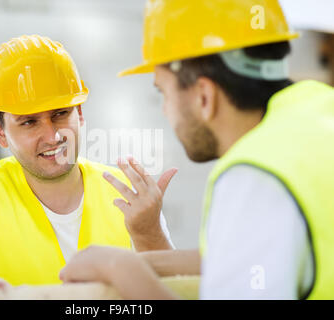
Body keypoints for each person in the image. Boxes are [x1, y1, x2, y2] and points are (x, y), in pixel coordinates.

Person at [60, 0, 334, 299]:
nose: (164, 110)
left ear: (203, 96)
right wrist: (147, 259)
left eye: (163, 92)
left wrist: (119, 269)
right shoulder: (319, 107)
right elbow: (253, 257)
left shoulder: (255, 175)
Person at [0, 35, 174, 294]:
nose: (52, 136)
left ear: (79, 113)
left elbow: (174, 291)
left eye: (60, 114)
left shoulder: (126, 193)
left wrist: (150, 233)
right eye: (29, 122)